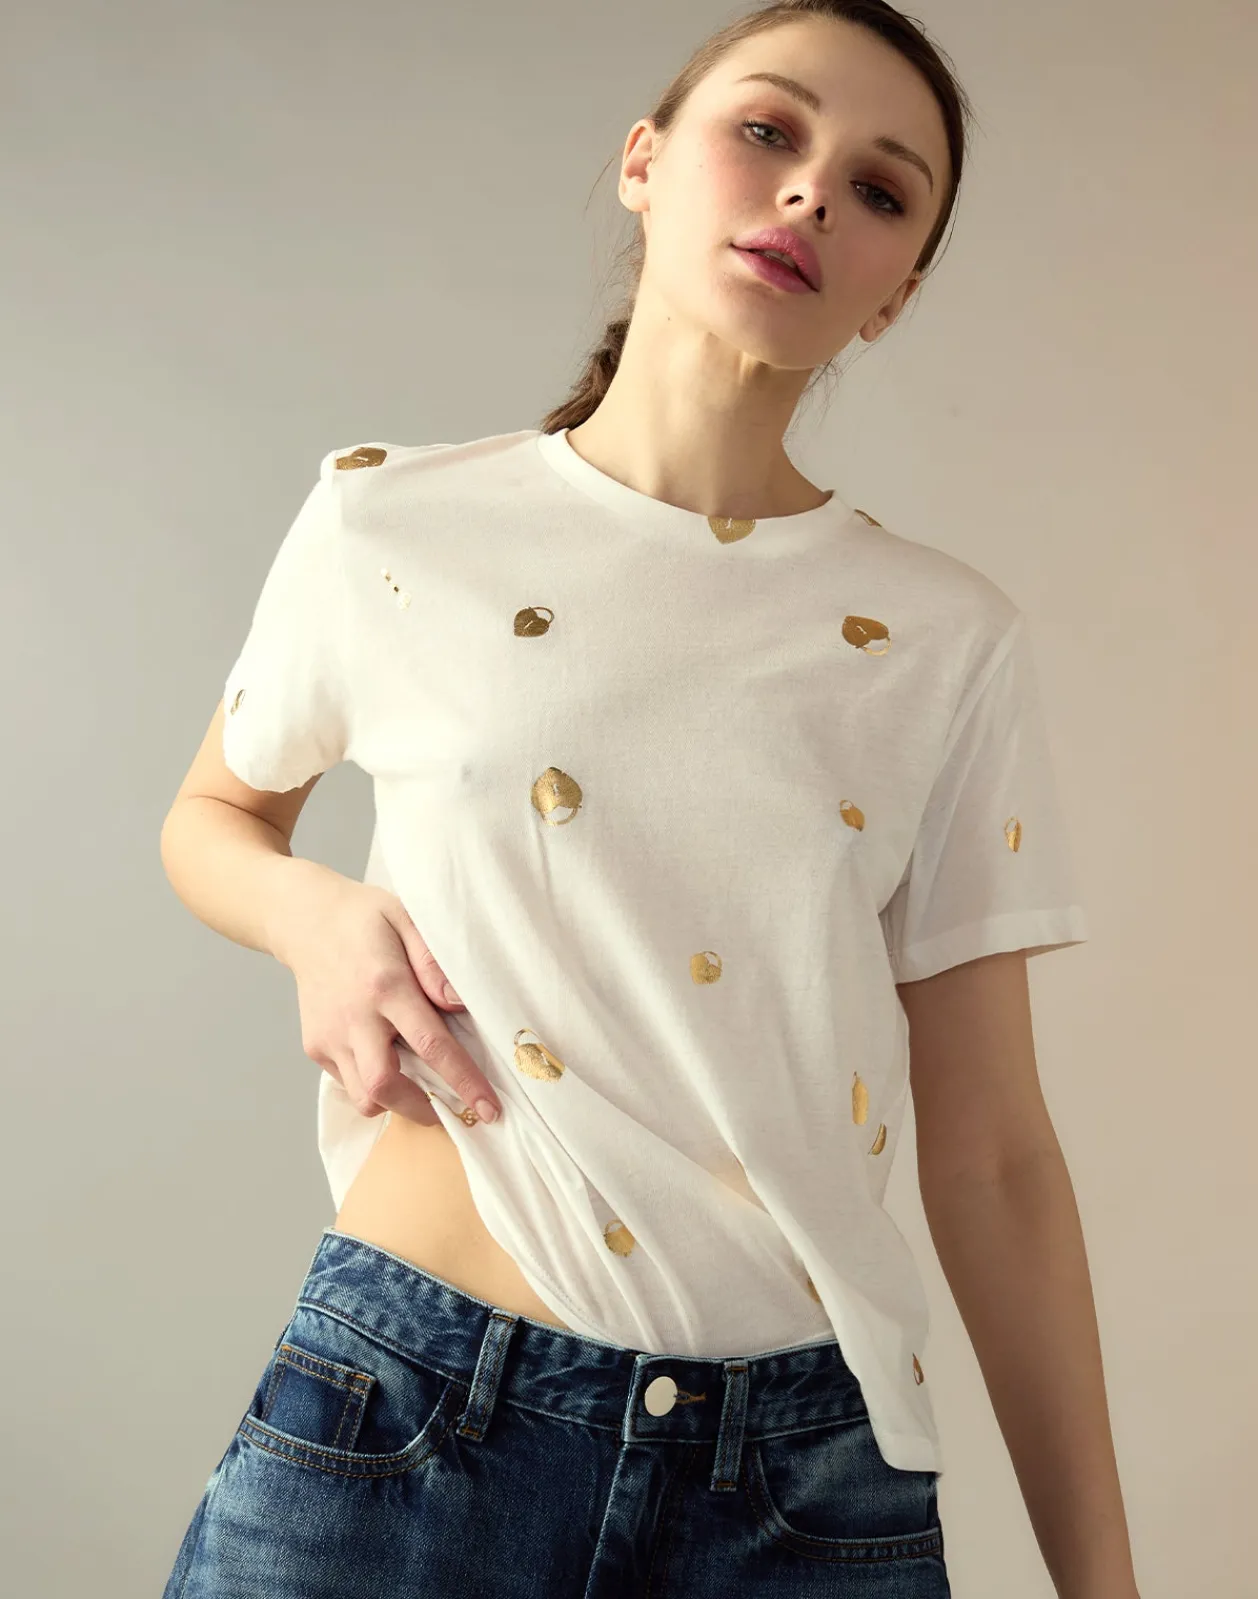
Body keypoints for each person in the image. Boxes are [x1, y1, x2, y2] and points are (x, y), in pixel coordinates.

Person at [159, 3, 1141, 1595]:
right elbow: (213, 817)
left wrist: (1103, 1582)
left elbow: (992, 1156)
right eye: (767, 131)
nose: (810, 191)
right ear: (643, 161)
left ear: (894, 292)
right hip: (412, 1424)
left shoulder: (943, 642)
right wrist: (315, 916)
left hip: (800, 1494)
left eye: (879, 189)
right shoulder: (391, 523)